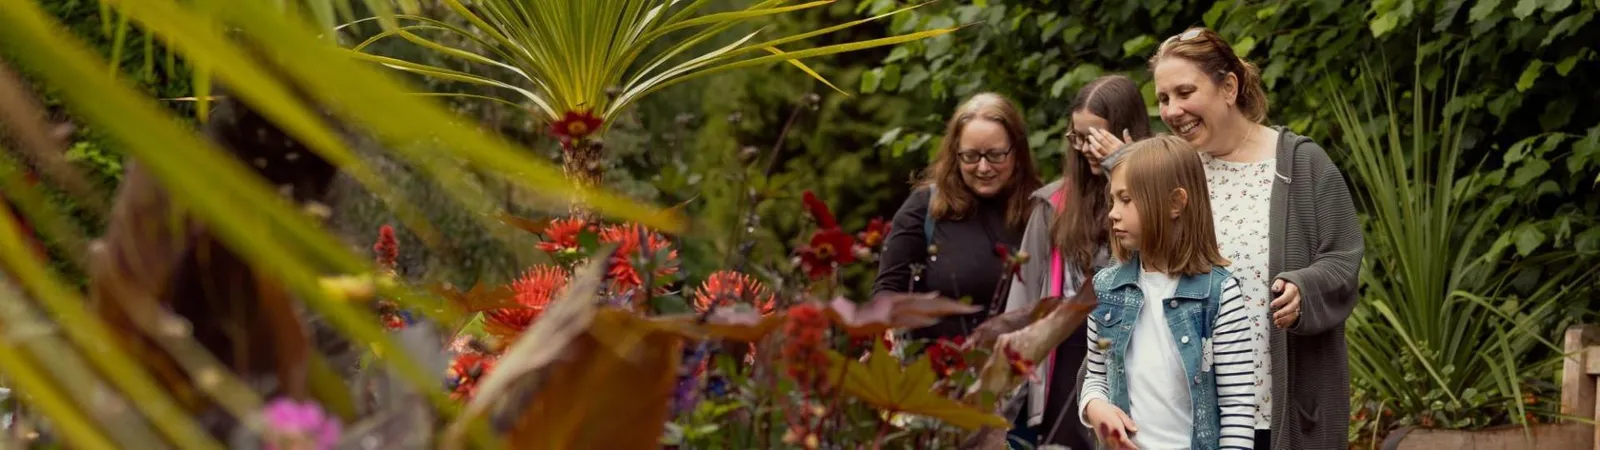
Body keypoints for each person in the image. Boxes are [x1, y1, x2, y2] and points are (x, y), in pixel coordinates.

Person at [1149, 27, 1364, 450]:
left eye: (1184, 92)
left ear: (1228, 86)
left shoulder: (1301, 164)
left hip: (1278, 410)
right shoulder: (1171, 173)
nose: (1173, 110)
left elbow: (1343, 258)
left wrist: (1304, 288)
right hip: (1187, 415)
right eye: (1163, 98)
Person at [998, 74, 1153, 447]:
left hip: (1139, 354)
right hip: (1066, 362)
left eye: (1096, 137)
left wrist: (1126, 166)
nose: (1086, 148)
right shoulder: (1051, 206)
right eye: (1078, 137)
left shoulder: (1159, 204)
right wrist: (1000, 396)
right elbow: (1022, 309)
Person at [1079, 135, 1257, 450]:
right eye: (1113, 200)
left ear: (1175, 203)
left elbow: (1238, 408)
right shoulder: (1104, 290)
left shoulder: (1219, 295)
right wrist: (1095, 408)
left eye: (1127, 199)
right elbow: (1095, 376)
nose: (1113, 213)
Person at [872, 92, 1043, 341]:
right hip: (941, 371)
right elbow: (888, 292)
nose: (983, 168)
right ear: (955, 154)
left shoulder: (1040, 211)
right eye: (971, 156)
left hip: (1022, 371)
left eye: (995, 155)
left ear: (1016, 152)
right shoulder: (925, 208)